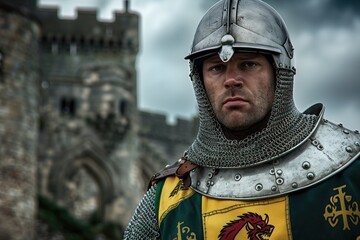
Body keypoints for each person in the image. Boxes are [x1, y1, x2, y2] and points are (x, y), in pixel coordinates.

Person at [123, 0, 360, 239]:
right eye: (216, 68)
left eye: (248, 64)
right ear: (199, 80)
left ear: (280, 72)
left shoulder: (350, 169)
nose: (231, 80)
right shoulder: (167, 199)